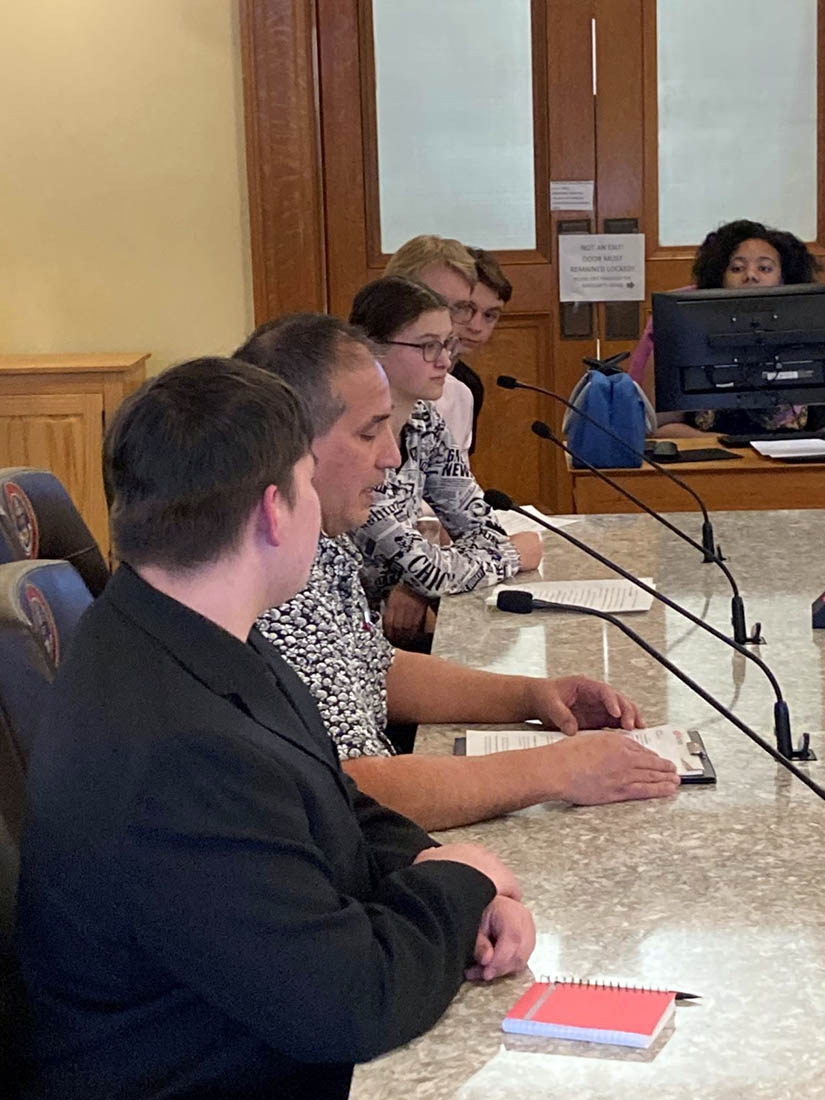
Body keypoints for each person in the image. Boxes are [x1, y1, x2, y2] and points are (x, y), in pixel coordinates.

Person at [14, 356, 536, 1099]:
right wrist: (462, 884)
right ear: (271, 510)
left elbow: (333, 801)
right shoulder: (176, 750)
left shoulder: (183, 628)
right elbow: (351, 1003)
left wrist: (440, 870)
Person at [235, 314, 681, 832]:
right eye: (368, 432)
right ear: (294, 445)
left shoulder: (322, 542)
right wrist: (557, 769)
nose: (392, 455)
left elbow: (373, 670)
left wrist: (529, 696)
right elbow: (355, 792)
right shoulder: (272, 575)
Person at [347, 276, 542, 645]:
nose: (445, 361)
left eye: (448, 344)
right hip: (351, 638)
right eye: (427, 346)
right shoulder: (350, 440)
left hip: (399, 630)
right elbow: (431, 572)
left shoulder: (425, 421)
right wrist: (514, 554)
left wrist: (418, 583)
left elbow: (481, 527)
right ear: (370, 349)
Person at [629, 218, 824, 436]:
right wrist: (725, 445)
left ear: (784, 278)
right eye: (737, 268)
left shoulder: (815, 328)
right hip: (713, 461)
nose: (751, 275)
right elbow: (657, 428)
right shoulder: (682, 334)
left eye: (765, 267)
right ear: (720, 278)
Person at [385, 234, 483, 453]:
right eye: (432, 302)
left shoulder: (458, 396)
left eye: (459, 307)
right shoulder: (343, 394)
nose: (445, 321)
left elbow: (456, 486)